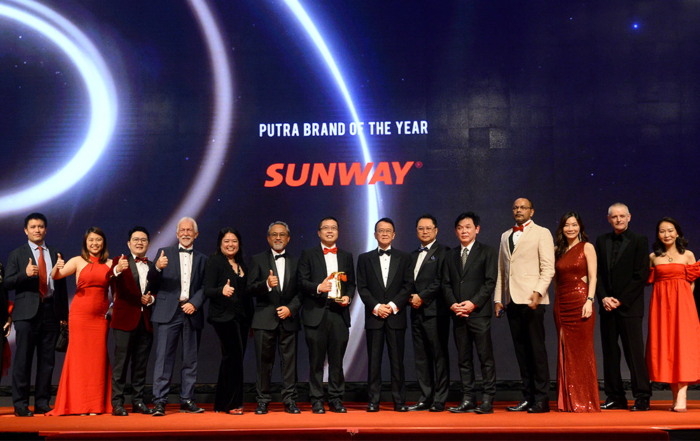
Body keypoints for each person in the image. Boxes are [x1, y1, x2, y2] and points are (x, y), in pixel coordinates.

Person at [4, 213, 68, 417]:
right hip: (26, 314)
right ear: (26, 230)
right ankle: (20, 404)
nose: (37, 230)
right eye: (33, 227)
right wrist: (25, 274)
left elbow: (62, 286)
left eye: (40, 226)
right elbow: (6, 283)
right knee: (23, 359)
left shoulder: (56, 252)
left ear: (46, 229)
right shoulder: (17, 254)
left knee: (47, 360)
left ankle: (42, 402)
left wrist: (63, 315)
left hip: (50, 310)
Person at [495, 198, 555, 413]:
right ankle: (528, 397)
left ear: (532, 211)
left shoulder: (542, 232)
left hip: (532, 300)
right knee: (521, 352)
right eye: (515, 207)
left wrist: (538, 292)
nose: (519, 210)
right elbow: (502, 270)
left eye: (523, 207)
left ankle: (542, 399)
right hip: (512, 300)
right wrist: (498, 299)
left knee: (536, 351)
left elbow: (548, 268)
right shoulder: (505, 235)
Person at [48, 227, 113, 416]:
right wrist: (57, 265)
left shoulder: (110, 263)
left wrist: (111, 310)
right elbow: (56, 276)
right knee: (78, 360)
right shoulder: (78, 261)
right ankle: (78, 405)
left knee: (97, 359)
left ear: (103, 243)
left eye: (98, 240)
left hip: (100, 318)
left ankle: (95, 405)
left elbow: (115, 292)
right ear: (86, 242)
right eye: (91, 240)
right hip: (79, 316)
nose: (95, 243)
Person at [148, 217, 208, 416]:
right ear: (176, 234)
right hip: (168, 313)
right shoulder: (164, 254)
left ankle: (187, 399)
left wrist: (194, 303)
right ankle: (160, 402)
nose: (185, 233)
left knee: (190, 359)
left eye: (189, 230)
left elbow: (204, 287)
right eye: (182, 230)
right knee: (164, 358)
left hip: (191, 311)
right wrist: (157, 268)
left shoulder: (202, 259)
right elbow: (152, 284)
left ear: (196, 234)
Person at [595, 203, 651, 411]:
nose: (618, 220)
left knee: (634, 353)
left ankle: (642, 396)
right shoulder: (601, 241)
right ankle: (615, 396)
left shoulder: (639, 240)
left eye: (622, 216)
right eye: (614, 217)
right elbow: (597, 273)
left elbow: (640, 275)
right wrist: (604, 298)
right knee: (610, 353)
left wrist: (621, 300)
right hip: (607, 306)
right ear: (608, 219)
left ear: (629, 217)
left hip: (629, 307)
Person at [297, 216, 356, 414]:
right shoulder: (308, 254)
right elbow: (301, 282)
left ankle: (336, 399)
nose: (330, 231)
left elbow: (351, 283)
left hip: (338, 314)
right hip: (316, 313)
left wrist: (347, 296)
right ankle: (316, 400)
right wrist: (318, 287)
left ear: (338, 232)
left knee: (337, 361)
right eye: (326, 228)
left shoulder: (346, 255)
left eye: (333, 228)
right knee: (316, 360)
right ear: (319, 232)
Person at [442, 212, 497, 414]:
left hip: (479, 314)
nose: (464, 231)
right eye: (460, 228)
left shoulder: (487, 252)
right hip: (458, 314)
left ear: (477, 229)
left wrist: (472, 304)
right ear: (456, 231)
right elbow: (445, 284)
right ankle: (468, 398)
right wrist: (453, 304)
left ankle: (488, 398)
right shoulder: (450, 255)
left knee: (485, 358)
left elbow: (490, 282)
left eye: (468, 227)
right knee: (463, 359)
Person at [357, 218, 413, 412]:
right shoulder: (364, 259)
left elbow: (408, 286)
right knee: (373, 361)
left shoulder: (405, 258)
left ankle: (399, 401)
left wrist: (391, 305)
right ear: (375, 235)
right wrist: (377, 306)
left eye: (388, 230)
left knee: (397, 361)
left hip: (396, 316)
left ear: (394, 234)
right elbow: (362, 288)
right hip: (374, 317)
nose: (384, 233)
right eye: (380, 230)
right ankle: (373, 400)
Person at [247, 222, 302, 415]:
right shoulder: (257, 260)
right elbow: (250, 288)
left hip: (289, 319)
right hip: (264, 319)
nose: (278, 238)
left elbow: (301, 292)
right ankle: (263, 400)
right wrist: (266, 284)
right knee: (264, 363)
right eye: (274, 235)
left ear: (288, 238)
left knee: (289, 363)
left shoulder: (297, 261)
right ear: (268, 238)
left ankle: (290, 400)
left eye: (282, 235)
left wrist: (290, 309)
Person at [646, 217, 700, 412]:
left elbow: (692, 282)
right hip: (660, 308)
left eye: (670, 230)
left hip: (684, 307)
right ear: (658, 235)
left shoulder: (688, 255)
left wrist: (684, 300)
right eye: (662, 231)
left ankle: (683, 394)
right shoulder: (653, 257)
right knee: (666, 348)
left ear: (677, 233)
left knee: (684, 347)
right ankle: (676, 396)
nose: (666, 234)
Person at [553, 212, 600, 412]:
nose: (570, 228)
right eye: (566, 225)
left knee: (582, 350)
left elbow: (593, 277)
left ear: (580, 226)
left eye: (574, 224)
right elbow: (555, 280)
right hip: (562, 304)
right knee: (565, 351)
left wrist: (589, 300)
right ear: (562, 228)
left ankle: (586, 400)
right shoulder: (557, 250)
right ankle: (567, 401)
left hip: (581, 302)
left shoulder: (587, 247)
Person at [109, 226, 158, 416]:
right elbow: (109, 278)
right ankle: (118, 404)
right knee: (121, 364)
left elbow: (156, 290)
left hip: (145, 321)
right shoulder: (120, 262)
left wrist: (151, 299)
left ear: (148, 243)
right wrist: (116, 270)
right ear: (129, 243)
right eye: (136, 239)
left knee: (140, 365)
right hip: (124, 321)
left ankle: (138, 402)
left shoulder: (152, 265)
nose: (140, 243)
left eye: (143, 240)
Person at [203, 227, 253, 415]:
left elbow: (247, 296)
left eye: (234, 241)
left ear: (239, 245)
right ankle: (233, 404)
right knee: (234, 358)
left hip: (241, 319)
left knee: (230, 359)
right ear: (220, 244)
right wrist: (221, 291)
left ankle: (221, 404)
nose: (230, 244)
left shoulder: (242, 265)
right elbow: (208, 289)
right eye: (226, 241)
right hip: (223, 317)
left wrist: (251, 322)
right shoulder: (215, 262)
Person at [407, 214, 450, 412]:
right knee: (421, 357)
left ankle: (440, 398)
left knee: (438, 355)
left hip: (435, 312)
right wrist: (410, 297)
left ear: (436, 230)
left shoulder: (444, 252)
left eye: (428, 228)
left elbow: (441, 281)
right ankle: (425, 397)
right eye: (420, 228)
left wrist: (422, 297)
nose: (424, 231)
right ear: (416, 231)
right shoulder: (412, 255)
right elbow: (407, 283)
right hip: (415, 313)